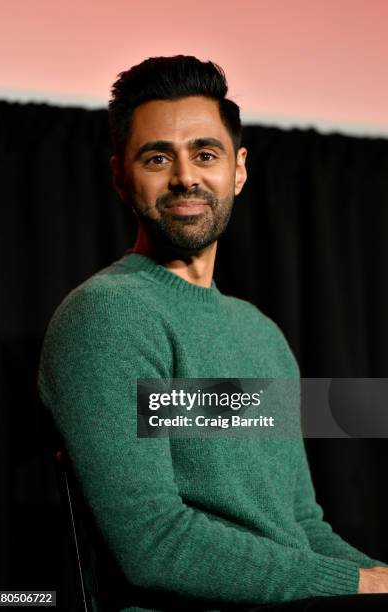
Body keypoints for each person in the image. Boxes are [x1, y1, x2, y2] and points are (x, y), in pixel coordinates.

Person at [38, 56, 388, 611]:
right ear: (120, 177)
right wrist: (355, 585)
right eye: (157, 157)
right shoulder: (107, 315)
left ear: (238, 170)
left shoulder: (262, 333)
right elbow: (155, 542)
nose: (185, 177)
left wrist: (375, 577)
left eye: (205, 154)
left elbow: (300, 526)